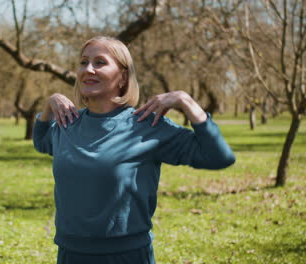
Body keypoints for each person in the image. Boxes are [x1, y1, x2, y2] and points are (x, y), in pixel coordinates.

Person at [33, 36, 235, 264]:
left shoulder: (146, 125)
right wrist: (50, 103)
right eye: (83, 62)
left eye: (100, 62)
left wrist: (185, 100)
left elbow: (219, 157)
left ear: (123, 77)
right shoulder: (67, 122)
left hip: (127, 256)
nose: (88, 69)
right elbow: (41, 140)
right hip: (70, 254)